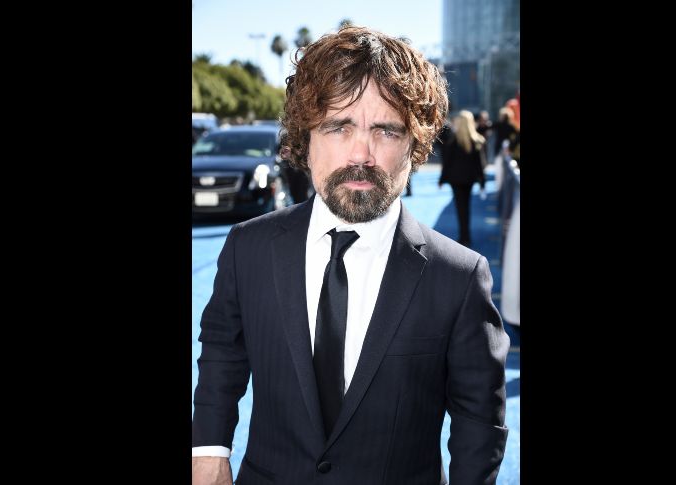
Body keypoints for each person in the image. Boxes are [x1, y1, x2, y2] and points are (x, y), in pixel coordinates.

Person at [192, 26, 509, 485]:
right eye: (338, 127)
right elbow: (223, 350)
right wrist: (208, 452)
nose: (361, 154)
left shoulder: (458, 276)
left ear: (415, 145)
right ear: (305, 138)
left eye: (386, 130)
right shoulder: (248, 247)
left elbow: (478, 421)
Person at [439, 110, 486, 248]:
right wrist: (482, 182)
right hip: (469, 179)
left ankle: (463, 236)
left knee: (460, 207)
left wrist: (442, 179)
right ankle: (466, 236)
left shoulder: (453, 140)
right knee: (466, 206)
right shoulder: (476, 141)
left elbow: (447, 162)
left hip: (456, 180)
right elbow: (480, 165)